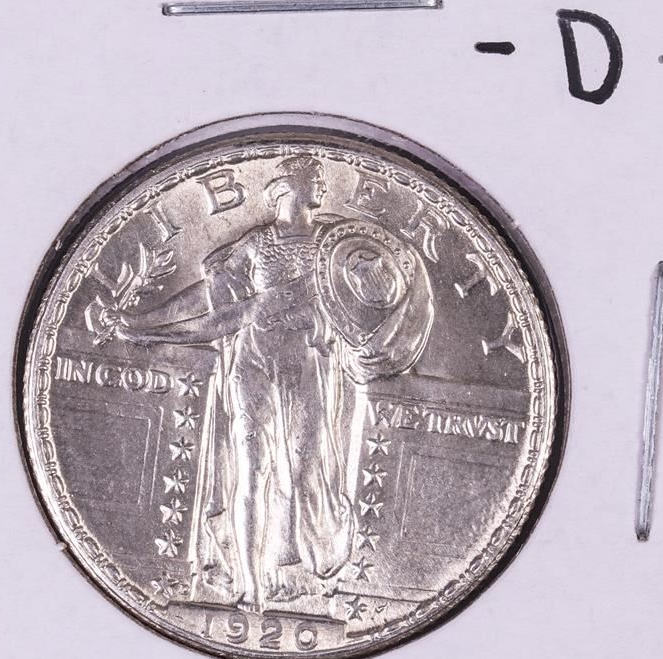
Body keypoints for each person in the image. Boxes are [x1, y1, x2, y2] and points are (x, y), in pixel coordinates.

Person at [120, 154, 431, 610]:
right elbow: (213, 303)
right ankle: (251, 584)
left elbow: (378, 294)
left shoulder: (335, 246)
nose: (322, 185)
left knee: (305, 473)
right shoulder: (256, 244)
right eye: (313, 178)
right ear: (284, 188)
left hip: (307, 369)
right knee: (251, 470)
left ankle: (303, 568)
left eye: (321, 179)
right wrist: (148, 324)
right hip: (253, 363)